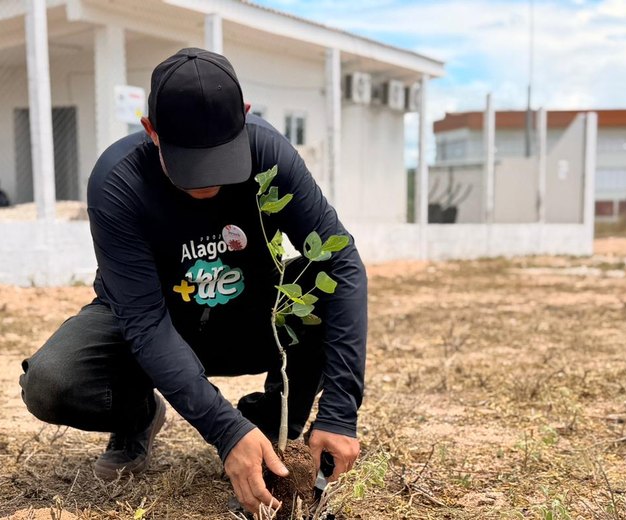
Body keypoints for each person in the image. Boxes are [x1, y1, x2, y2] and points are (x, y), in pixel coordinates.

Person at [19, 48, 367, 514]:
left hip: (251, 317)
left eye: (221, 159)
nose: (206, 183)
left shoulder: (269, 153)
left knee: (319, 286)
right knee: (51, 382)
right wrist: (222, 431)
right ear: (150, 131)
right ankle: (139, 416)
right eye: (187, 163)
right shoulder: (118, 183)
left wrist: (341, 411)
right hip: (160, 324)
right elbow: (144, 323)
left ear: (244, 118)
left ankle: (266, 425)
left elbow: (342, 264)